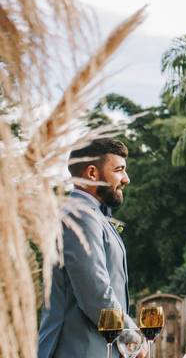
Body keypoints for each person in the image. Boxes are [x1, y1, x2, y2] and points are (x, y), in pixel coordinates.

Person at [38, 137, 146, 358]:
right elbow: (95, 291)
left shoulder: (93, 216)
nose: (126, 178)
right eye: (119, 170)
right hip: (78, 350)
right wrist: (132, 337)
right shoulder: (80, 216)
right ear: (92, 174)